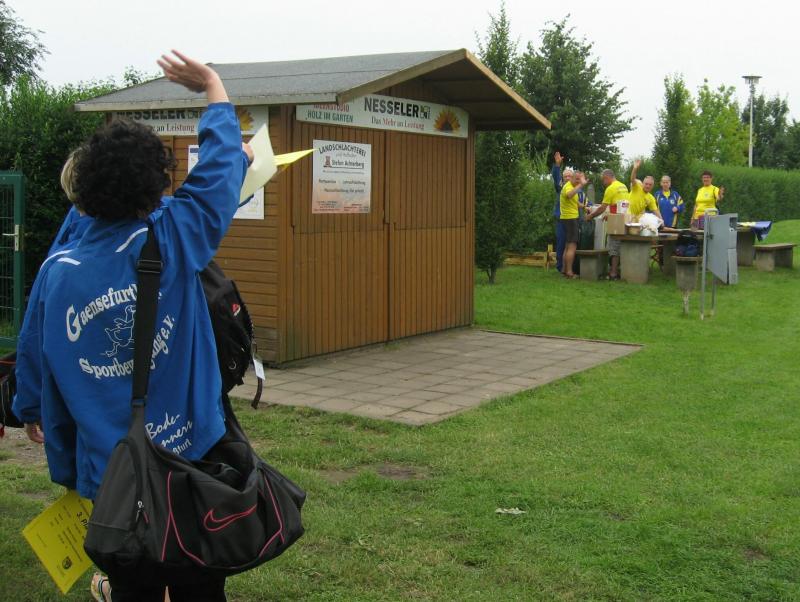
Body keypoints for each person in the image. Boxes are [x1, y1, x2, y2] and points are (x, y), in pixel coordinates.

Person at [21, 51, 252, 602]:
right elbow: (221, 170)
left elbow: (35, 351)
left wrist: (30, 408)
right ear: (156, 190)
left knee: (133, 581)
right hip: (191, 452)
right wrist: (212, 85)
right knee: (199, 576)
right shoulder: (175, 235)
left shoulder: (58, 271)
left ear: (82, 190)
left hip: (113, 469)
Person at [13, 149, 93, 444]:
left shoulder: (61, 259)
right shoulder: (159, 232)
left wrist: (30, 405)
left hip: (77, 411)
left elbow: (34, 333)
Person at [585, 168, 629, 279]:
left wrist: (590, 216)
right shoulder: (623, 186)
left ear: (607, 177)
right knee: (619, 245)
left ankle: (613, 273)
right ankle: (618, 270)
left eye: (603, 180)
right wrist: (609, 214)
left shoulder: (611, 188)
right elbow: (620, 205)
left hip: (616, 221)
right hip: (625, 219)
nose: (603, 183)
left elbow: (602, 208)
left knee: (614, 246)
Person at [559, 170, 587, 278]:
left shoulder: (572, 186)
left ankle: (564, 270)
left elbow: (574, 201)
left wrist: (584, 207)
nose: (579, 181)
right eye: (577, 179)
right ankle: (569, 272)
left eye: (580, 179)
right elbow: (569, 195)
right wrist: (581, 185)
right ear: (572, 178)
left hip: (568, 219)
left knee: (567, 246)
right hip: (570, 219)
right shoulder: (568, 186)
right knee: (572, 246)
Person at [551, 151, 570, 272]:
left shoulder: (576, 189)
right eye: (565, 176)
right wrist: (557, 165)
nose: (567, 178)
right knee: (561, 242)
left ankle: (571, 266)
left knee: (572, 243)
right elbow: (556, 176)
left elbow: (584, 200)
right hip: (561, 218)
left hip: (573, 219)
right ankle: (560, 266)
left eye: (569, 176)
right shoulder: (561, 187)